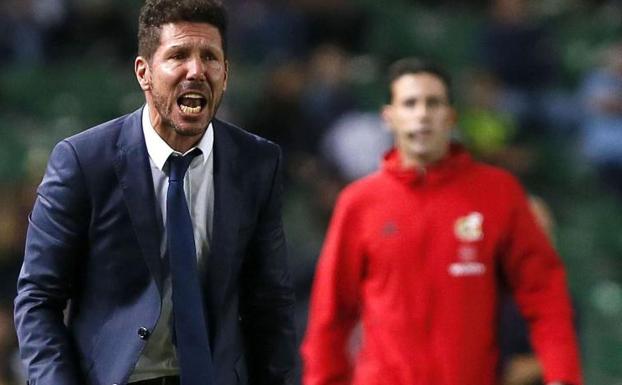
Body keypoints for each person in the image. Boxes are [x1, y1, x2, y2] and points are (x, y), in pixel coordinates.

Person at [13, 1, 296, 385]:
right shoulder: (83, 161)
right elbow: (38, 300)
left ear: (225, 74)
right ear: (144, 73)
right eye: (178, 55)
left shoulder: (258, 162)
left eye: (209, 57)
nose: (196, 70)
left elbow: (270, 304)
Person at [300, 58, 581, 385]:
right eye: (409, 103)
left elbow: (544, 293)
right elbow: (330, 315)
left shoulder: (499, 193)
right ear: (389, 117)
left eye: (433, 103)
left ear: (450, 116)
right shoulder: (359, 202)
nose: (422, 114)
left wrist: (562, 375)